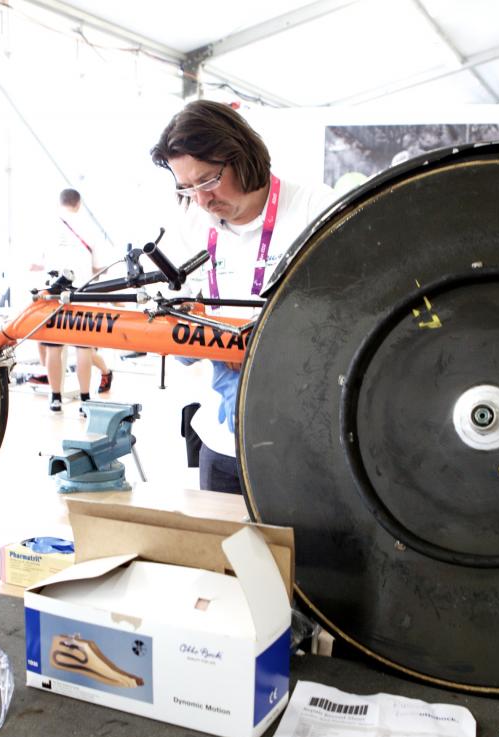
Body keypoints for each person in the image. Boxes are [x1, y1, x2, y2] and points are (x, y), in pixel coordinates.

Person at [151, 100, 334, 493]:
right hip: (221, 443)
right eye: (186, 188)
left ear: (242, 156)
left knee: (296, 555)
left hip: (303, 446)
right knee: (226, 555)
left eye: (207, 181)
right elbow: (179, 308)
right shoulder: (194, 222)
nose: (201, 199)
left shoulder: (313, 210)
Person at [40, 188, 113, 412]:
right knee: (83, 347)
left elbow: (36, 262)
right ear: (78, 204)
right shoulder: (89, 227)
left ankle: (55, 398)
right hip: (83, 293)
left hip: (54, 293)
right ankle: (84, 399)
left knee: (54, 348)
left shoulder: (47, 225)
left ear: (60, 202)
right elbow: (99, 267)